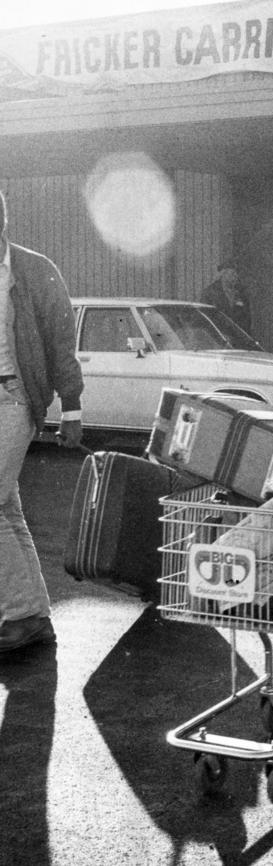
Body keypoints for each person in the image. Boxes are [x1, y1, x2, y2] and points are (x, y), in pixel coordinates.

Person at [0, 189, 83, 652]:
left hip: (15, 398)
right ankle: (34, 615)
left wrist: (71, 407)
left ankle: (16, 614)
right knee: (7, 508)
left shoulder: (33, 269)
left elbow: (60, 338)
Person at [201, 260, 252, 334]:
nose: (235, 277)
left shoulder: (241, 293)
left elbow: (247, 318)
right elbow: (205, 317)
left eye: (236, 274)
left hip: (237, 337)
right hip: (218, 337)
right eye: (232, 274)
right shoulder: (210, 293)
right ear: (223, 274)